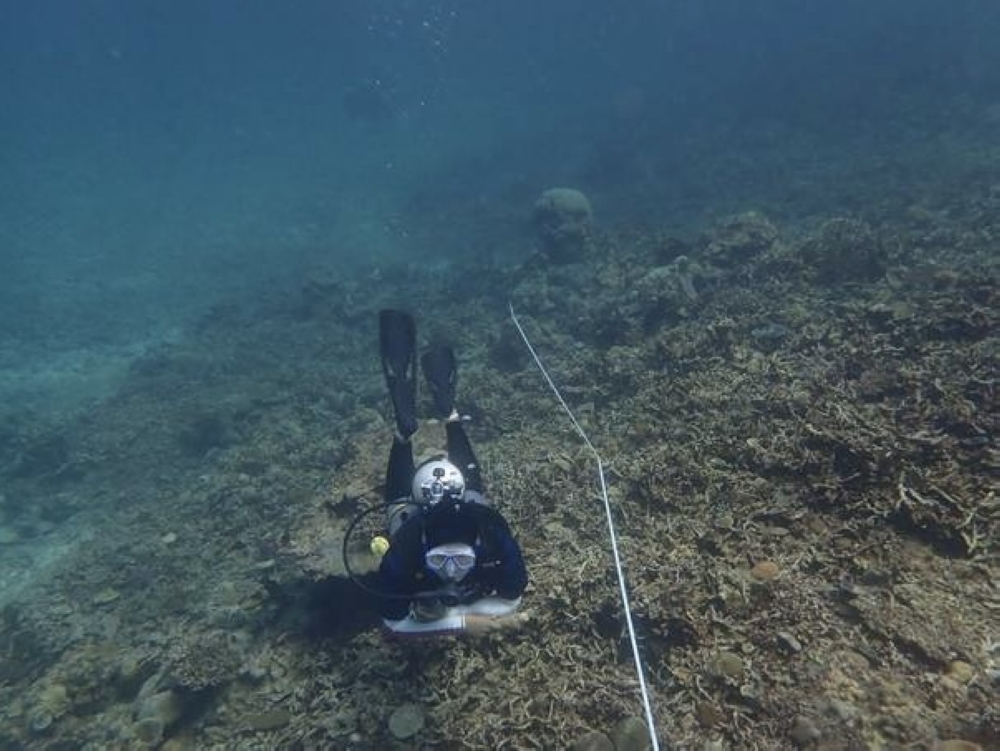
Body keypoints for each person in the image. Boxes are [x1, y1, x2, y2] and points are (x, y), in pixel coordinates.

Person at [375, 309, 529, 636]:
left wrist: (443, 619)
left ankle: (409, 430)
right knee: (405, 508)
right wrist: (464, 621)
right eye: (440, 562)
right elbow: (391, 624)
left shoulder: (491, 534)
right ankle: (446, 417)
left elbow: (514, 598)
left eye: (460, 562)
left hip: (462, 509)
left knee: (466, 495)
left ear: (477, 551)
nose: (451, 573)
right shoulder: (407, 545)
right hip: (424, 512)